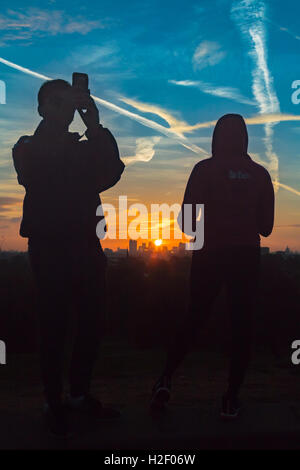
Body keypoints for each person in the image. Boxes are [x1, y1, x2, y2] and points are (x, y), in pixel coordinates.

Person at [12, 79, 125, 437]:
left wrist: (94, 125)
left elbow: (112, 171)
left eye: (67, 103)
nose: (63, 109)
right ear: (42, 109)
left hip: (86, 247)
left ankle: (77, 394)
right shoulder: (28, 147)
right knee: (54, 327)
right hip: (49, 249)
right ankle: (53, 400)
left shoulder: (83, 147)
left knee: (93, 323)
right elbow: (37, 169)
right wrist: (76, 134)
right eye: (55, 103)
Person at [151, 113, 274, 419]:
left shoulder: (204, 169)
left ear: (217, 137)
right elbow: (267, 227)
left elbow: (187, 223)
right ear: (245, 137)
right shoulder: (260, 174)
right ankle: (231, 398)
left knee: (194, 317)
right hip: (246, 256)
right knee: (241, 326)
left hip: (210, 254)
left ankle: (165, 379)